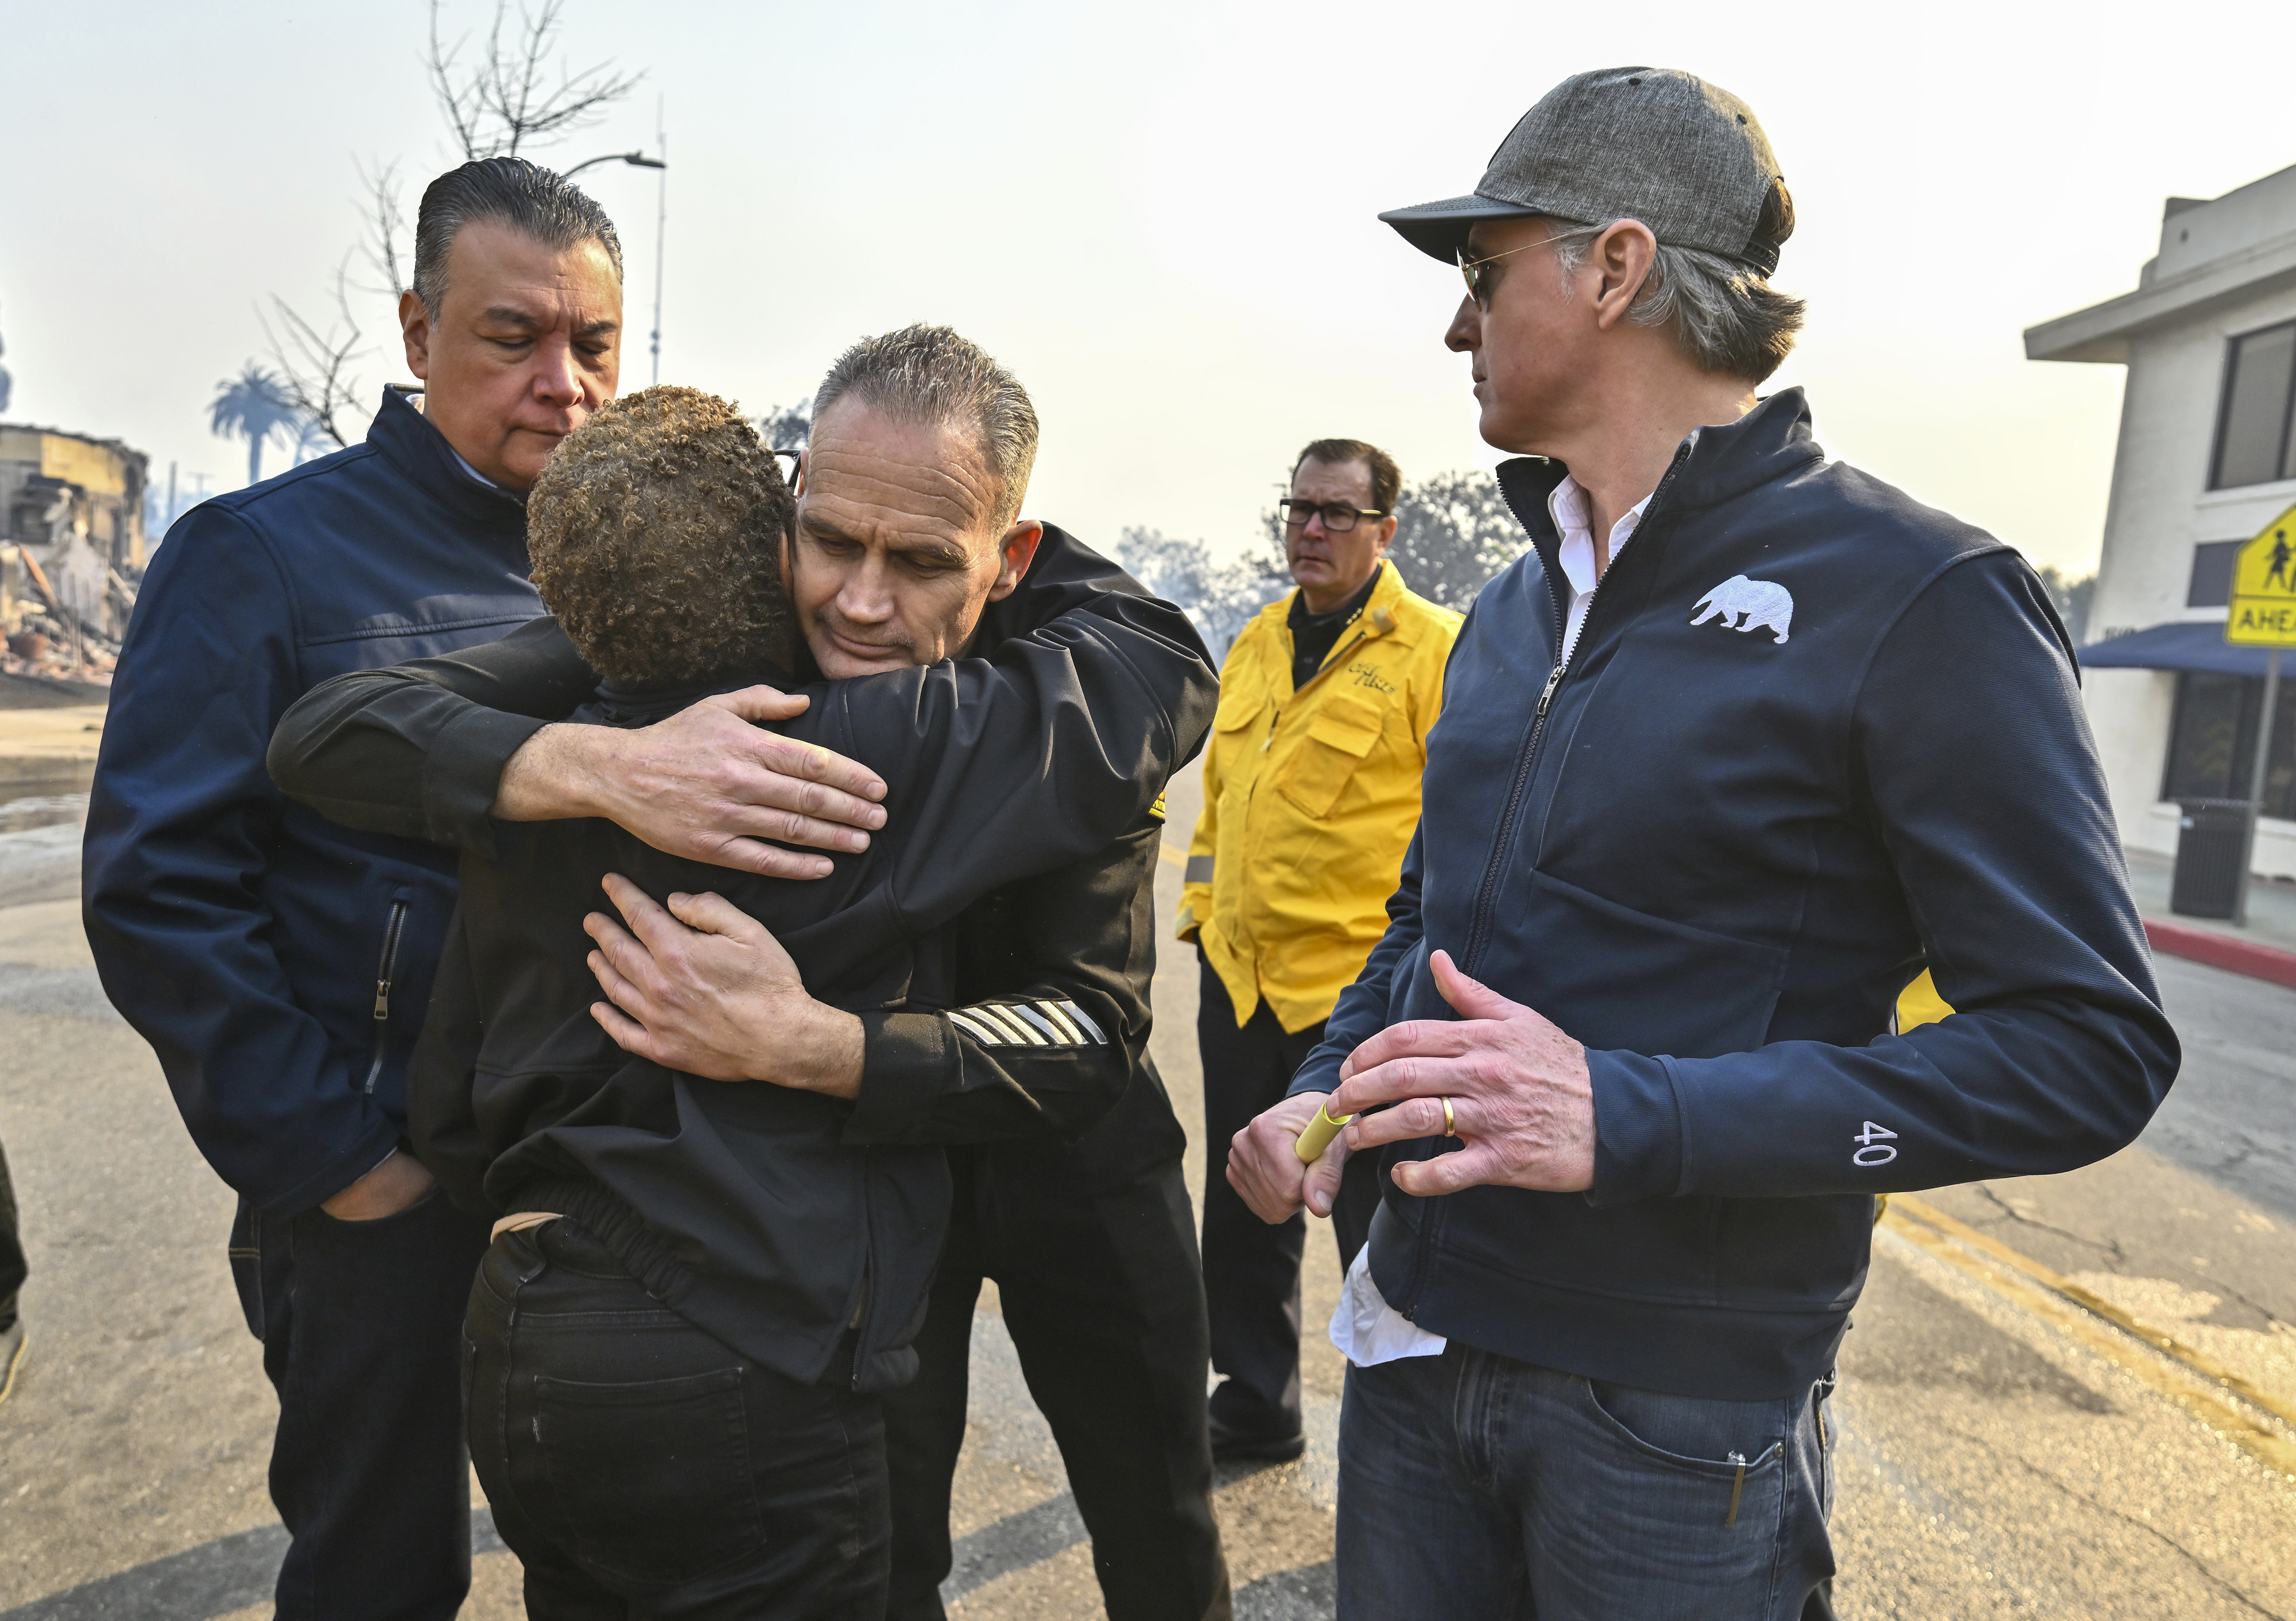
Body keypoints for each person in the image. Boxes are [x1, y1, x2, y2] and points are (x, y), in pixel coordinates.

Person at [1226, 67, 2181, 1620]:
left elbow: (2087, 1050)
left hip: (1670, 1429)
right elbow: (1427, 920)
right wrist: (1328, 1090)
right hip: (1410, 1348)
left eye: (1482, 277)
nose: (1454, 328)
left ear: (1613, 269)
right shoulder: (1512, 609)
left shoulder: (1920, 594)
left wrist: (1632, 1114)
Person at [270, 326, 1232, 1620]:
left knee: (1157, 1525)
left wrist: (819, 1043)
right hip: (857, 1213)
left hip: (1062, 1159)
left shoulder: (1055, 711)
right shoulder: (707, 659)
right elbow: (339, 731)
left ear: (1007, 562)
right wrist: (607, 765)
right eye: (832, 540)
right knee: (885, 1556)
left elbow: (1091, 1031)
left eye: (920, 559)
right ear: (787, 508)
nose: (859, 601)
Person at [1178, 437, 1461, 1461]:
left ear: (1386, 530)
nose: (1312, 529)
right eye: (1299, 507)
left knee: (1375, 1226)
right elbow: (1219, 804)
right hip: (1243, 984)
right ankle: (1255, 1405)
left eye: (1338, 513)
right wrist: (1204, 920)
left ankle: (1405, 1445)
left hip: (1362, 1003)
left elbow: (1466, 830)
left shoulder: (1438, 651)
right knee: (1247, 1203)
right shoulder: (1255, 640)